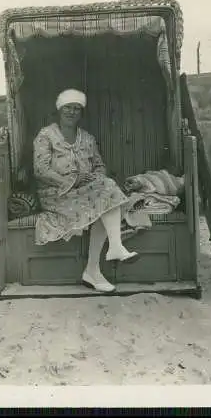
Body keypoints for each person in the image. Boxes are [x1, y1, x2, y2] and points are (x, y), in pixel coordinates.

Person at [33, 88, 139, 293]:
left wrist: (94, 178)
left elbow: (99, 166)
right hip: (55, 194)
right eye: (67, 108)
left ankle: (95, 268)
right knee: (107, 196)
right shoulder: (46, 135)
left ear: (81, 113)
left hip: (85, 192)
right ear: (59, 110)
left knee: (106, 190)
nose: (72, 112)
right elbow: (40, 169)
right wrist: (71, 179)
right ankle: (107, 256)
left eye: (76, 108)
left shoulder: (88, 138)